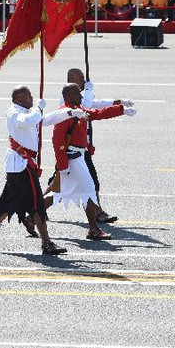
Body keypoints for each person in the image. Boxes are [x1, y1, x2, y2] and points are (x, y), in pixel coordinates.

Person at [0, 86, 79, 255]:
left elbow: (45, 119)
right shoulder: (15, 113)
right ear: (20, 99)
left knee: (9, 203)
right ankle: (47, 243)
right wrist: (38, 107)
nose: (32, 99)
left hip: (22, 164)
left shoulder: (29, 112)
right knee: (36, 203)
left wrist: (70, 113)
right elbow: (30, 120)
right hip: (20, 165)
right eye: (29, 97)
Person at [50, 83, 136, 240]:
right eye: (77, 93)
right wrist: (62, 166)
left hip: (78, 157)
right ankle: (94, 229)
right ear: (68, 95)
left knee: (60, 192)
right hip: (71, 159)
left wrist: (121, 109)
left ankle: (32, 216)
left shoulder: (78, 110)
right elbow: (57, 142)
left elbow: (97, 113)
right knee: (90, 190)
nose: (81, 96)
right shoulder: (64, 113)